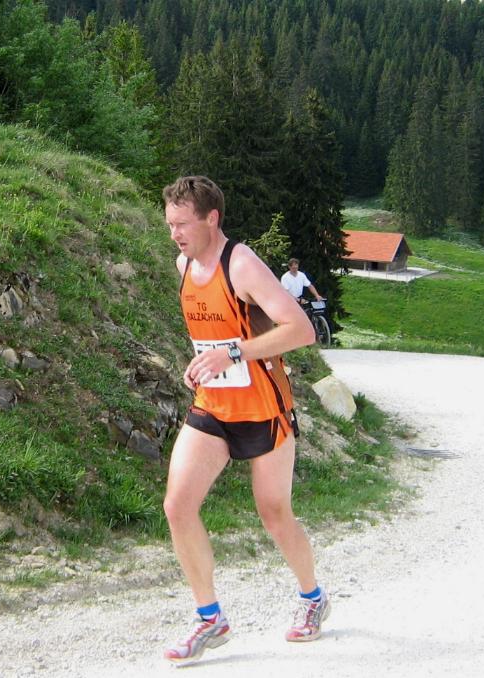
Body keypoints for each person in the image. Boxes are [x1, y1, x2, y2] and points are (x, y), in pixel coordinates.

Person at [161, 176, 330, 666]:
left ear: (211, 218)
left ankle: (312, 597)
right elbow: (209, 334)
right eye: (169, 224)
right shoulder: (183, 264)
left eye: (182, 224)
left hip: (264, 409)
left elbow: (301, 330)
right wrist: (202, 363)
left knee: (274, 514)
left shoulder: (241, 264)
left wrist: (232, 352)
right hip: (213, 407)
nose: (175, 234)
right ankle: (210, 617)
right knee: (178, 506)